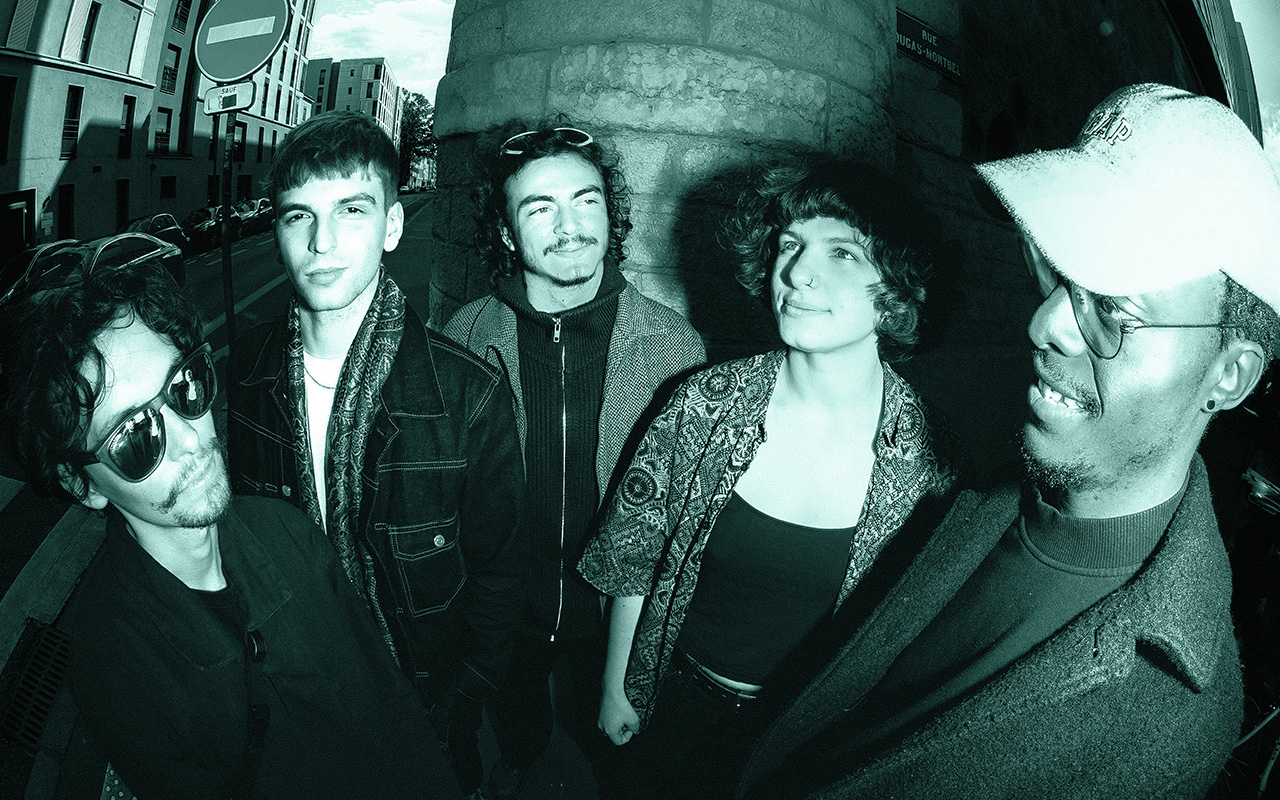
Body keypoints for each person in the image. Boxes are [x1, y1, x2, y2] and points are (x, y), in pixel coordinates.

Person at [736, 83, 1280, 799]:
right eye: (1054, 277)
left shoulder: (1162, 727)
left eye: (1113, 311)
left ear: (1228, 375)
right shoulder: (984, 481)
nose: (1046, 325)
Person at [0, 244, 461, 799]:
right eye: (134, 436)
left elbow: (393, 706)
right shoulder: (116, 666)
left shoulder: (290, 533)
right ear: (84, 485)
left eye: (184, 387)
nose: (191, 438)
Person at [576, 160, 964, 798]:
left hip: (809, 737)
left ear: (897, 285)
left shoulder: (930, 458)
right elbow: (632, 556)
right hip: (675, 707)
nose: (798, 272)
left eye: (842, 252)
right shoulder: (703, 405)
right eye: (790, 244)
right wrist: (618, 686)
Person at [227, 111, 527, 797]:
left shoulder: (468, 394)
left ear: (393, 226)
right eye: (299, 216)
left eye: (351, 210)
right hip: (295, 696)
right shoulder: (246, 371)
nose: (322, 241)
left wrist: (461, 703)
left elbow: (501, 573)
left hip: (426, 705)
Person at [442, 121, 706, 798]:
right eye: (540, 208)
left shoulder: (674, 349)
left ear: (610, 214)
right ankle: (520, 757)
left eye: (586, 201)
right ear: (506, 233)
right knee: (519, 719)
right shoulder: (463, 338)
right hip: (505, 608)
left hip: (613, 618)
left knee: (615, 755)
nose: (569, 227)